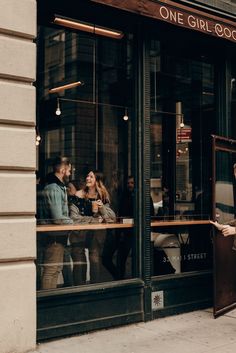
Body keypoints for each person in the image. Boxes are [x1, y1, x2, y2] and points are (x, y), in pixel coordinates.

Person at [69, 171, 116, 285]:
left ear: (97, 181)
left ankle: (95, 289)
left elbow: (111, 218)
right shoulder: (78, 195)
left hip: (96, 234)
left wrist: (102, 209)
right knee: (79, 263)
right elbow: (74, 218)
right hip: (79, 233)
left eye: (91, 176)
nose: (87, 178)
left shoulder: (102, 196)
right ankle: (79, 289)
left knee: (95, 260)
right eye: (87, 175)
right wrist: (94, 220)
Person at [37, 156, 73, 290]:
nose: (70, 172)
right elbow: (57, 218)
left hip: (57, 235)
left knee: (55, 269)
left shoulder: (57, 187)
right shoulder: (53, 188)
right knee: (51, 270)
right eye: (69, 169)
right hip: (54, 237)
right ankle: (47, 303)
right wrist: (72, 222)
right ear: (63, 169)